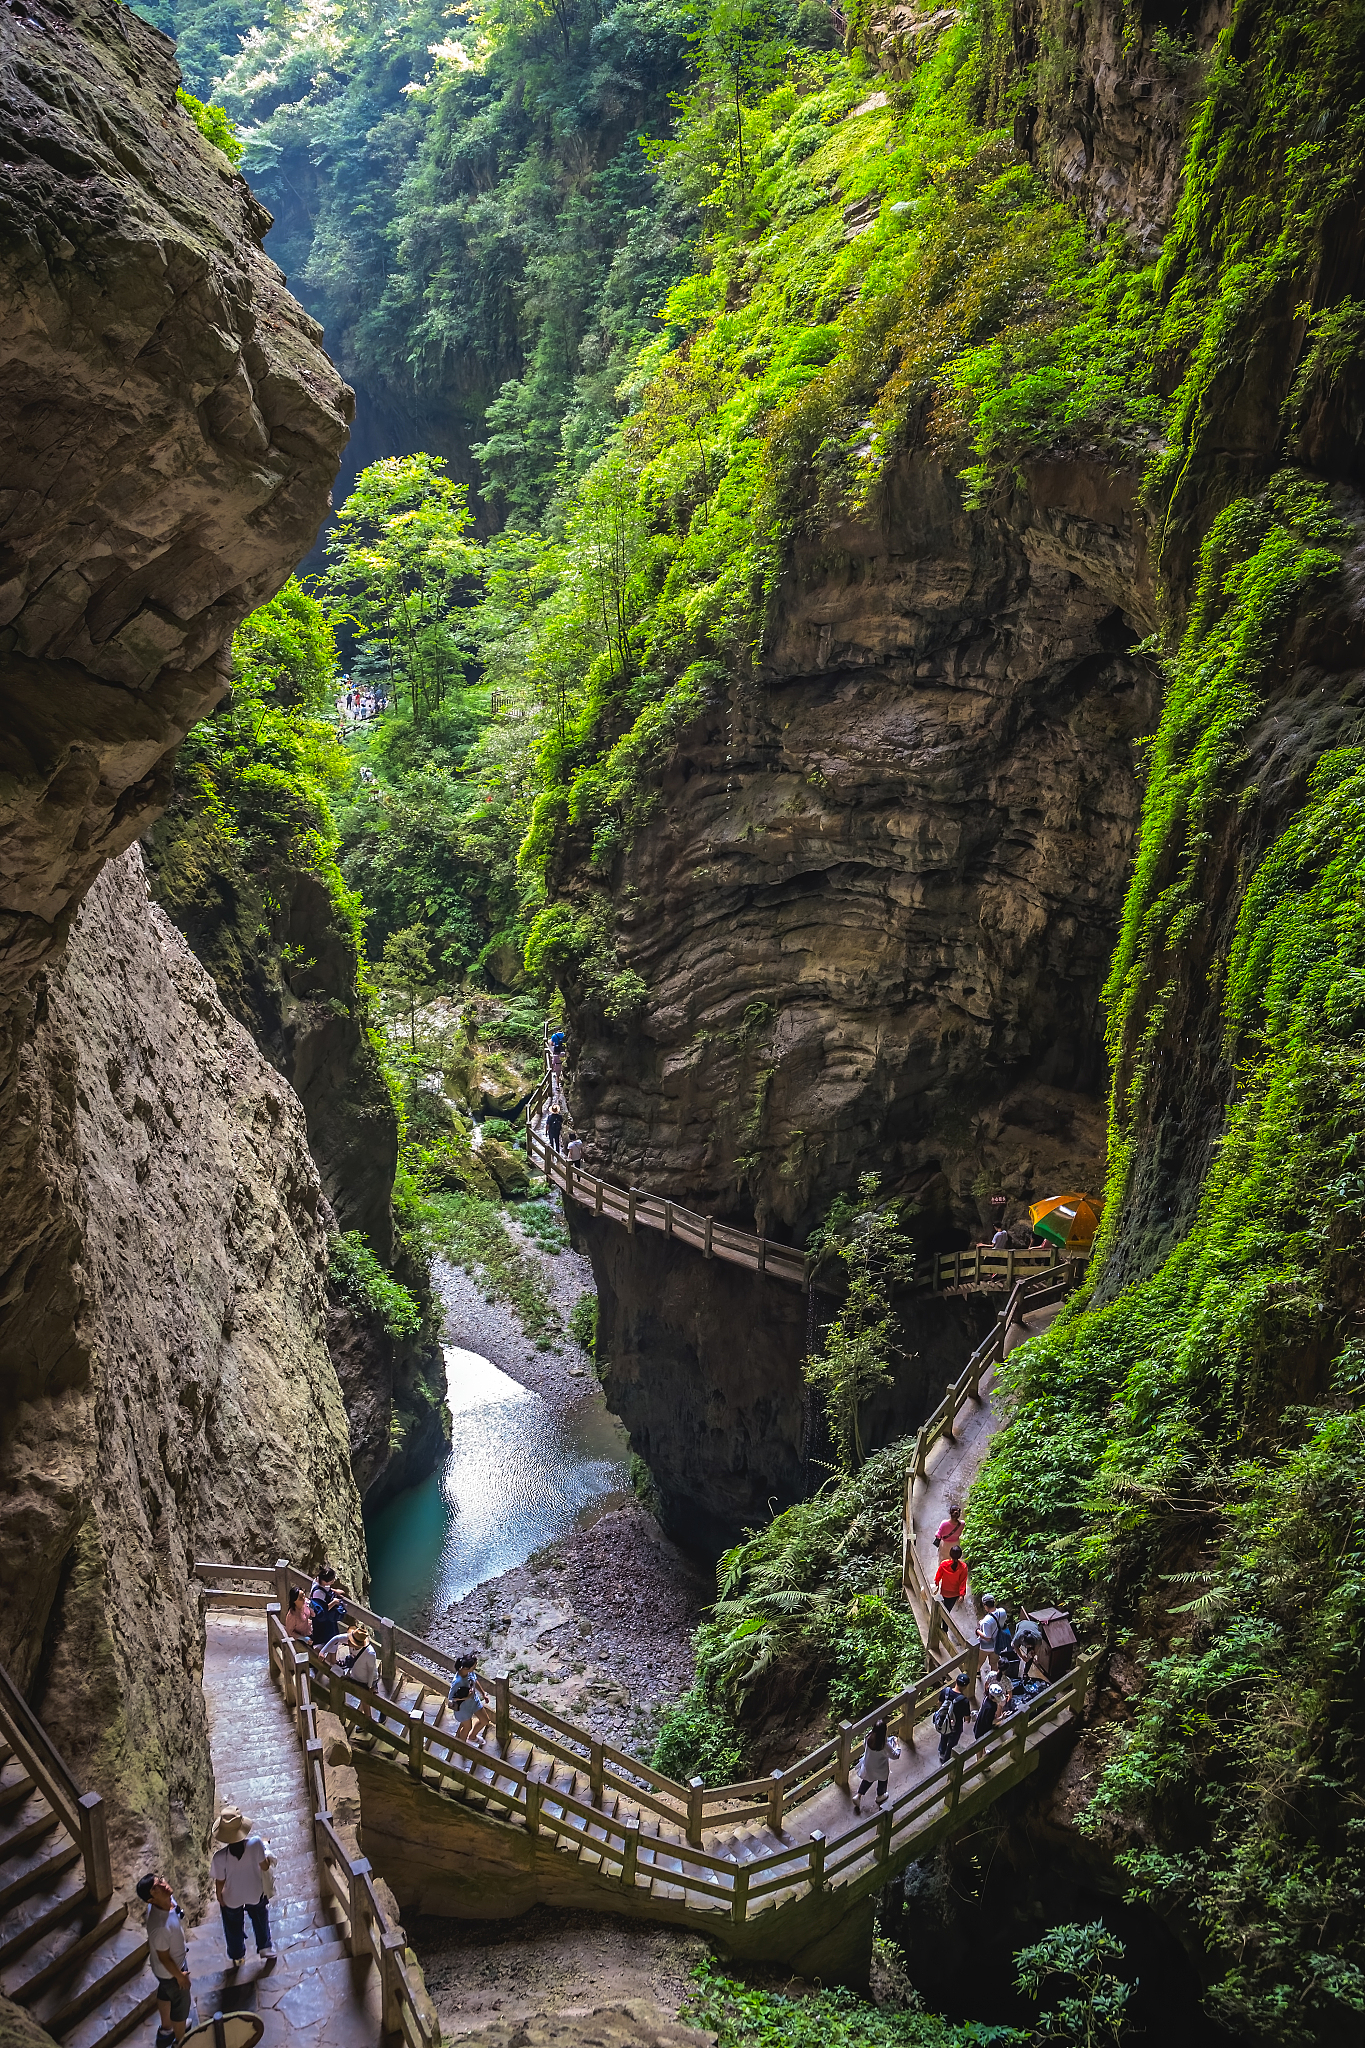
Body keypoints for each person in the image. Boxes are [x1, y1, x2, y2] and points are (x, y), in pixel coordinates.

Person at [211, 1807, 276, 1966]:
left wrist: (220, 1897)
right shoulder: (256, 1844)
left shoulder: (219, 1858)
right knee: (260, 1915)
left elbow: (220, 1883)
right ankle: (265, 1947)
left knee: (232, 1925)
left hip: (232, 1898)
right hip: (255, 1892)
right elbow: (265, 1867)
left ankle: (237, 1955)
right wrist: (266, 1849)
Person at [137, 1872, 191, 2045]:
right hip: (171, 1971)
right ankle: (180, 2041)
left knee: (165, 1993)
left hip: (163, 1971)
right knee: (181, 2007)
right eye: (155, 1888)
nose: (162, 1885)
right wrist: (180, 1976)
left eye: (160, 1880)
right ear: (150, 1900)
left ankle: (166, 2028)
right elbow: (165, 1957)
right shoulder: (160, 1927)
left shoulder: (165, 1899)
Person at [851, 1717, 901, 1814]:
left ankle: (858, 1796)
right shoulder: (885, 1745)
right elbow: (895, 1756)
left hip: (868, 1765)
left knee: (867, 1780)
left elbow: (863, 1745)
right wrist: (897, 1745)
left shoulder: (869, 1736)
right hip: (880, 1768)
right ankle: (880, 1796)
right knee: (882, 1781)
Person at [447, 1654, 491, 1754]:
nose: (475, 1667)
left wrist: (483, 1694)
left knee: (485, 1720)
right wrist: (466, 1697)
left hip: (473, 1702)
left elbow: (474, 1680)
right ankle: (462, 1745)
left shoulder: (469, 1673)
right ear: (467, 1667)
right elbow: (451, 1698)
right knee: (467, 1727)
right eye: (474, 1665)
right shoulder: (457, 1682)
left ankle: (472, 1736)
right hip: (463, 1708)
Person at [933, 1672, 971, 1763]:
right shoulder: (964, 1701)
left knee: (944, 1735)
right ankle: (947, 1759)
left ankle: (941, 1752)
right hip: (956, 1725)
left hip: (944, 1720)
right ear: (965, 1686)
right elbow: (967, 1718)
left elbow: (939, 1703)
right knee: (952, 1743)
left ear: (955, 1681)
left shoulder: (945, 1691)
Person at [310, 1565, 346, 1647]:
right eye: (332, 1579)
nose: (334, 1580)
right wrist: (334, 1602)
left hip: (325, 1619)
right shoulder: (318, 1593)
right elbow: (321, 1611)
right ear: (326, 1581)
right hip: (323, 1621)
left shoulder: (318, 1581)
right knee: (326, 1637)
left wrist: (334, 1591)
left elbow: (326, 1588)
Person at [337, 1624, 379, 1691]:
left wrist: (369, 1686)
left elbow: (370, 1672)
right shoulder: (352, 1646)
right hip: (355, 1676)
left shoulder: (370, 1654)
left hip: (365, 1681)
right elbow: (337, 1638)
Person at [934, 1544, 969, 1612]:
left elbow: (938, 1576)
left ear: (950, 1554)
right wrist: (961, 1595)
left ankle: (942, 1618)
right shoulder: (963, 1567)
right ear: (960, 1555)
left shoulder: (944, 1564)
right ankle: (944, 1620)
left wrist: (937, 1584)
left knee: (945, 1605)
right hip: (955, 1593)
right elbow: (963, 1582)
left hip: (945, 1591)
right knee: (948, 1608)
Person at [977, 1593, 1003, 1673]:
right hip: (997, 1645)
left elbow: (987, 1638)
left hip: (985, 1647)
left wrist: (978, 1631)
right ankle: (993, 1678)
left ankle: (977, 1672)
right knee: (994, 1664)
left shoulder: (986, 1621)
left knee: (979, 1662)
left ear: (985, 1605)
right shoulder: (1001, 1612)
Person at [1013, 1615, 1043, 1680]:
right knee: (1015, 1649)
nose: (1028, 1647)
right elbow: (1015, 1645)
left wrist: (1033, 1654)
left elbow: (1037, 1647)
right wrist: (1021, 1655)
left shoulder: (1038, 1638)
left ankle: (1025, 1672)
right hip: (1021, 1625)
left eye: (1030, 1646)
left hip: (1034, 1625)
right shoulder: (1018, 1637)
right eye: (1027, 1646)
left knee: (1031, 1657)